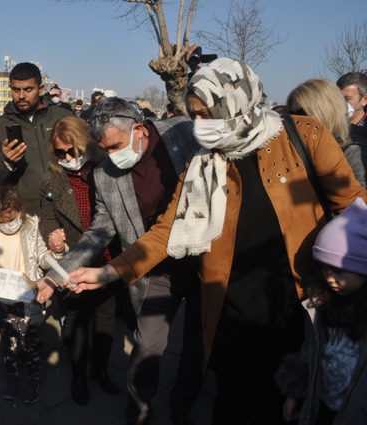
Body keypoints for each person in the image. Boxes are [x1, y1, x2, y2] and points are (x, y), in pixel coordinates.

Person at [54, 58, 367, 425]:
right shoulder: (202, 163)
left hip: (291, 306)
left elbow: (352, 211)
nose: (198, 127)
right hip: (228, 309)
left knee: (284, 406)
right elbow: (166, 231)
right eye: (193, 115)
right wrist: (108, 272)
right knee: (231, 403)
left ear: (234, 101)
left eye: (206, 114)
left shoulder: (303, 136)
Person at [36, 98, 202, 425]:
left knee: (197, 344)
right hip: (151, 266)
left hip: (202, 263)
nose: (112, 156)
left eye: (115, 146)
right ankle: (138, 408)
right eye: (105, 149)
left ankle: (184, 400)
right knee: (146, 345)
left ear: (139, 129)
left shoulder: (184, 133)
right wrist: (59, 274)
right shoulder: (106, 173)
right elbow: (99, 231)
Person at [39, 115, 118, 405]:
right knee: (76, 320)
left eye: (72, 150)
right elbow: (46, 220)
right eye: (60, 153)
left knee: (106, 320)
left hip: (108, 260)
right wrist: (52, 235)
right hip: (74, 262)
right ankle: (78, 374)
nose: (68, 157)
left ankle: (100, 368)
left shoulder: (108, 171)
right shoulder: (52, 179)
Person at [276, 197, 367, 425]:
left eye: (339, 271)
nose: (329, 278)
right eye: (325, 268)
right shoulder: (320, 303)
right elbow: (310, 349)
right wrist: (294, 392)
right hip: (320, 404)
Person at [0, 185, 59, 404]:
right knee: (8, 343)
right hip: (2, 301)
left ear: (20, 210)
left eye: (11, 219)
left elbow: (41, 257)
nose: (8, 225)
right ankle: (11, 377)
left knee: (30, 342)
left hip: (28, 298)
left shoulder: (32, 228)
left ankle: (33, 378)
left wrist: (56, 253)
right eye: (1, 221)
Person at [0, 62, 72, 217]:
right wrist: (6, 162)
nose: (22, 95)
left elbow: (88, 156)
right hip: (25, 213)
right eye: (16, 89)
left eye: (28, 89)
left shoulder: (63, 118)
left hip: (67, 207)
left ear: (41, 89)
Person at [286, 78, 367, 189]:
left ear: (326, 113)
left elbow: (359, 202)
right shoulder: (289, 148)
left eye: (302, 113)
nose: (295, 120)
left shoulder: (351, 153)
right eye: (291, 114)